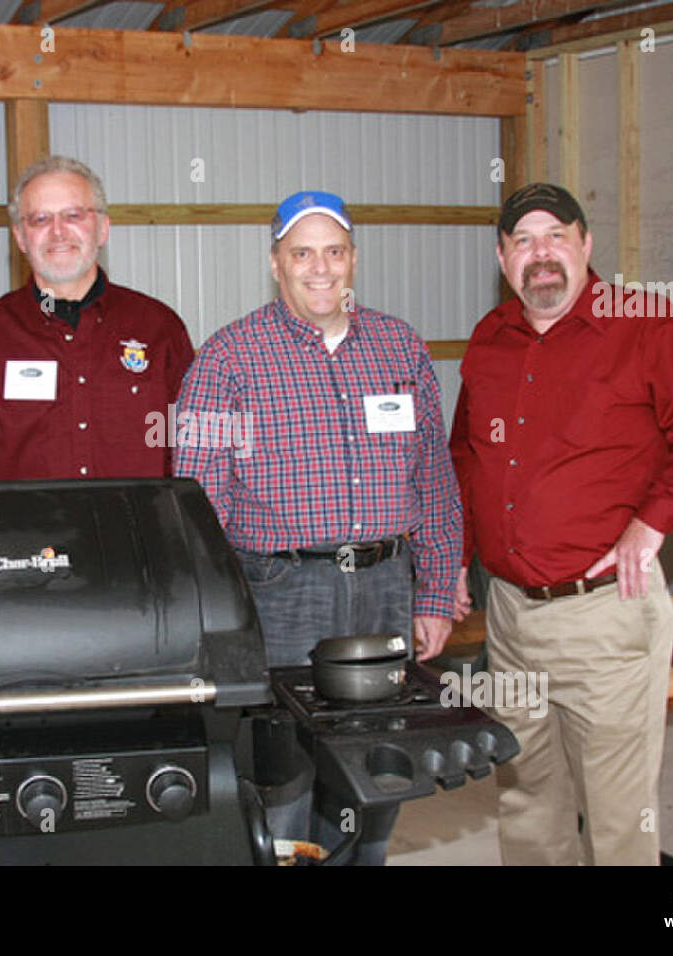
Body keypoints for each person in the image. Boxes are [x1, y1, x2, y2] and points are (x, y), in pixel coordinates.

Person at [449, 182, 673, 865]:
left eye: (556, 235)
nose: (541, 253)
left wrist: (652, 522)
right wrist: (457, 559)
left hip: (605, 617)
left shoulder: (646, 324)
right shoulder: (492, 338)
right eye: (523, 240)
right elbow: (467, 457)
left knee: (617, 818)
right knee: (527, 801)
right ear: (502, 257)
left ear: (585, 244)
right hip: (509, 614)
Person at [174, 190, 462, 864]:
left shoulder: (400, 347)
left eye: (334, 251)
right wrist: (215, 622)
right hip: (281, 594)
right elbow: (198, 504)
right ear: (276, 264)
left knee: (378, 769)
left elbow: (435, 478)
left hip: (386, 588)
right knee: (285, 778)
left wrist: (435, 590)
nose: (321, 268)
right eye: (302, 253)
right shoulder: (227, 359)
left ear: (353, 258)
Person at [0, 156, 194, 482]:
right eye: (40, 219)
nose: (57, 232)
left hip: (136, 518)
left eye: (73, 215)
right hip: (23, 519)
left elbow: (189, 448)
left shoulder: (159, 328)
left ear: (103, 228)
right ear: (20, 237)